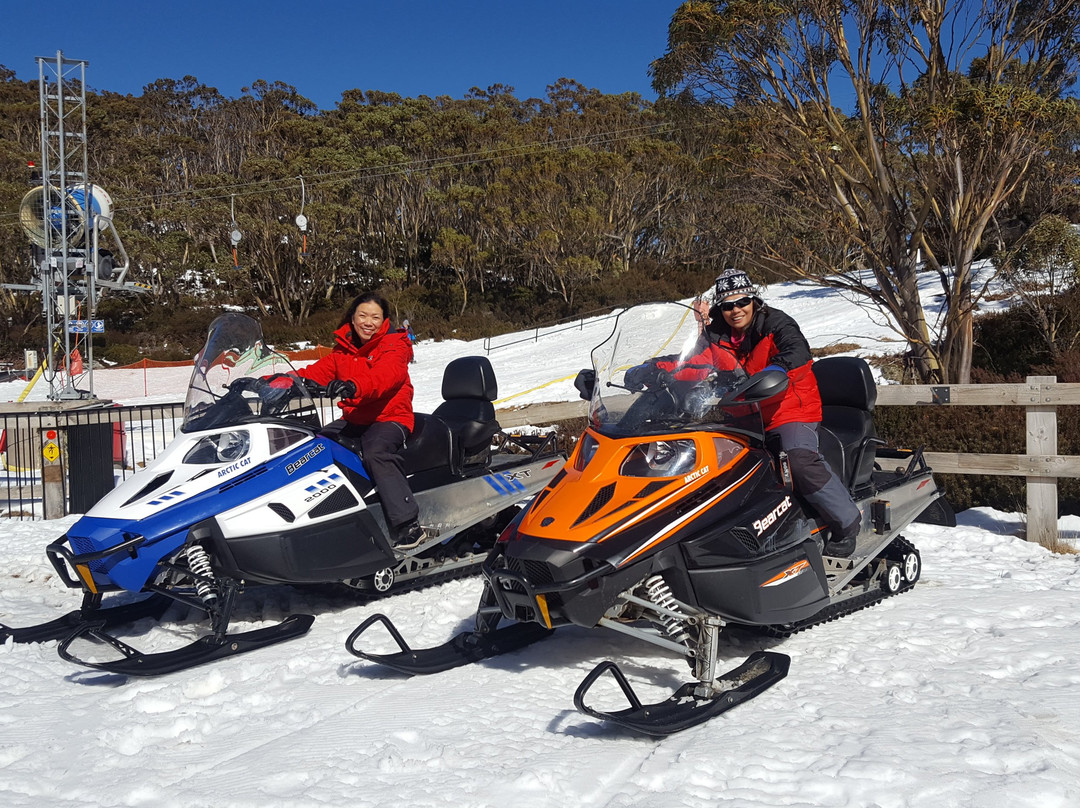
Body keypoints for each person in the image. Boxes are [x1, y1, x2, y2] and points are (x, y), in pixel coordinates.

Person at [703, 268, 862, 557]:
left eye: (742, 302)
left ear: (754, 301)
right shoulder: (715, 335)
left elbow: (797, 352)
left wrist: (777, 369)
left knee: (797, 461)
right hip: (744, 417)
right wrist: (656, 370)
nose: (736, 310)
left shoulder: (776, 324)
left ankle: (846, 522)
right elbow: (696, 364)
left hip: (789, 410)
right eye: (727, 305)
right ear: (720, 308)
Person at [294, 293, 423, 549]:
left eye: (375, 317)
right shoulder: (343, 352)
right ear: (352, 319)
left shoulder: (394, 345)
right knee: (314, 444)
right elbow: (312, 374)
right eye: (362, 315)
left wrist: (354, 385)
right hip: (356, 418)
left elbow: (386, 376)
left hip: (390, 418)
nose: (368, 322)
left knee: (376, 452)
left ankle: (408, 524)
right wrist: (273, 382)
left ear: (384, 321)